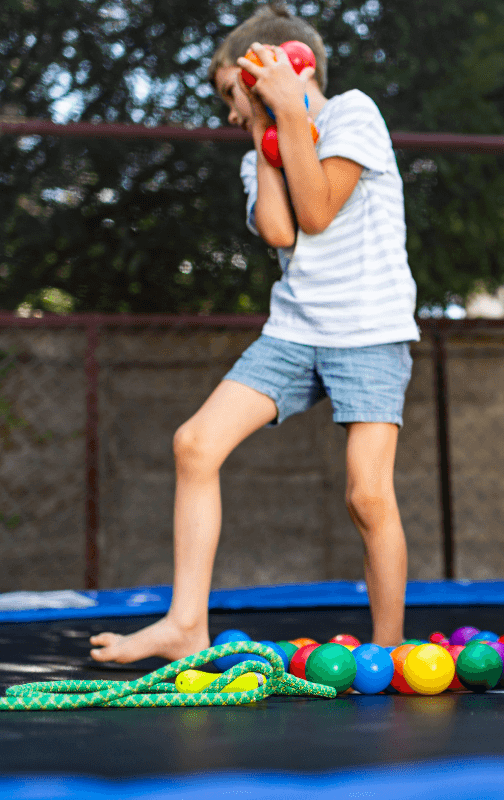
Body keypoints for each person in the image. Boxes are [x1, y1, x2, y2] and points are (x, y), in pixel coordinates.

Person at [90, 5, 417, 663]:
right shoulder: (258, 154)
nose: (230, 113)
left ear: (270, 68)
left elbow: (320, 208)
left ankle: (389, 648)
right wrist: (269, 133)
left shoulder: (353, 114)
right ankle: (186, 622)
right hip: (296, 332)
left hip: (370, 330)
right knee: (195, 444)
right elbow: (280, 230)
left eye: (230, 95)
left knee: (367, 493)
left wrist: (289, 110)